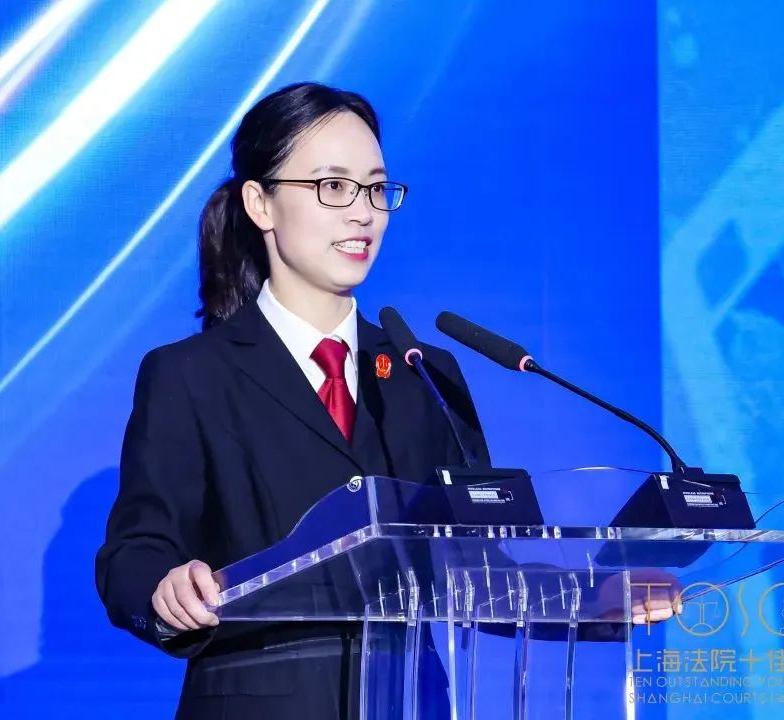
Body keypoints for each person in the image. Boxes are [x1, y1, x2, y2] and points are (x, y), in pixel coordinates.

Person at [95, 82, 677, 719]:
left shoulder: (424, 373)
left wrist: (594, 596)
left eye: (376, 189)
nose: (363, 214)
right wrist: (166, 590)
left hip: (408, 703)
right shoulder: (191, 374)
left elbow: (476, 569)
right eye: (333, 186)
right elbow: (134, 550)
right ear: (260, 203)